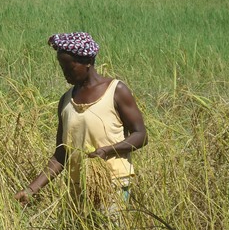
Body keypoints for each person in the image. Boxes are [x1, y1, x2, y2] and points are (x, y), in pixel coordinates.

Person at [15, 32, 147, 212]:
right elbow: (61, 154)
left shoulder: (116, 91)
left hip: (113, 184)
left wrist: (107, 150)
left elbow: (141, 135)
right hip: (79, 187)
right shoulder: (66, 101)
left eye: (70, 67)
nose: (65, 73)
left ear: (87, 62)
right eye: (62, 68)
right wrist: (31, 190)